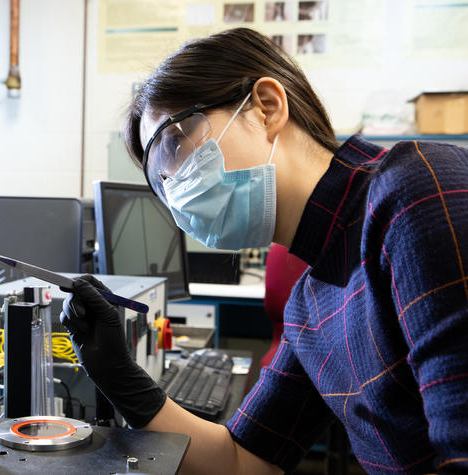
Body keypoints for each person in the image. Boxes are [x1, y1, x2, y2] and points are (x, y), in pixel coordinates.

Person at [60, 28, 468, 474]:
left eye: (175, 144)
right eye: (161, 181)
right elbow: (242, 461)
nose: (175, 189)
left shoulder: (418, 192)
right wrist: (121, 379)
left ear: (267, 106)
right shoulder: (310, 304)